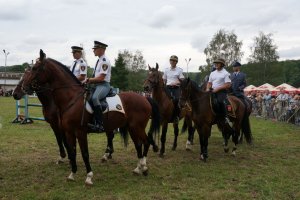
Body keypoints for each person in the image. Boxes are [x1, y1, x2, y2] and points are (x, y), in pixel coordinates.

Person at [83, 41, 111, 132]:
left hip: (103, 85)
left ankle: (100, 124)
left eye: (95, 49)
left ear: (102, 49)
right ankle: (91, 121)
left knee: (95, 98)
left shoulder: (104, 61)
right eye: (94, 49)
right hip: (96, 85)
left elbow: (102, 78)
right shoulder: (99, 60)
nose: (93, 51)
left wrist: (89, 80)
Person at [206, 58, 231, 123]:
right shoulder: (212, 73)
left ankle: (225, 117)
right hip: (212, 91)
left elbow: (228, 85)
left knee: (220, 101)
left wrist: (217, 89)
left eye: (218, 63)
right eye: (215, 63)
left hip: (221, 92)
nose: (216, 64)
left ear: (222, 64)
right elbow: (209, 83)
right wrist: (207, 89)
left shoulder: (226, 73)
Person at [162, 55, 185, 122]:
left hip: (176, 88)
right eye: (171, 60)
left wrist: (175, 83)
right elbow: (164, 80)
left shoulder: (179, 70)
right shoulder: (166, 70)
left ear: (176, 62)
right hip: (167, 88)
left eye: (173, 61)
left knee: (176, 100)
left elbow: (182, 79)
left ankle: (176, 116)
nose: (172, 62)